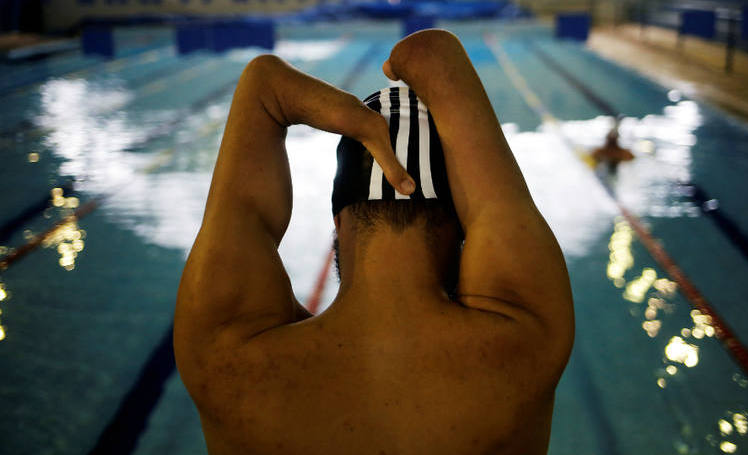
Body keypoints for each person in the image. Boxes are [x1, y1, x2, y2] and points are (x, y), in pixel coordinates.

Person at [174, 29, 574, 455]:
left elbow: (264, 83)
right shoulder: (525, 335)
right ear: (462, 225)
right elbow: (428, 54)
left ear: (339, 219)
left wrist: (358, 115)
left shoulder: (226, 356)